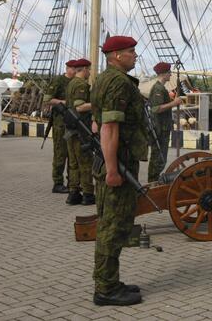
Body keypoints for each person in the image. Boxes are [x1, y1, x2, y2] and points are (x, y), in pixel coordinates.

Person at [90, 36, 147, 306]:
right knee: (112, 227)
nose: (135, 55)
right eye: (130, 52)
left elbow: (96, 121)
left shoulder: (104, 79)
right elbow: (109, 128)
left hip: (118, 160)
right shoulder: (117, 82)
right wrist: (112, 169)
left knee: (113, 224)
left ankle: (110, 280)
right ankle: (106, 289)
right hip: (117, 165)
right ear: (116, 56)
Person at [64, 58, 95, 206]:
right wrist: (97, 104)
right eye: (89, 69)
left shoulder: (70, 84)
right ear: (84, 69)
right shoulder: (81, 85)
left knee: (74, 163)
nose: (90, 72)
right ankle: (88, 194)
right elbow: (80, 107)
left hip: (70, 128)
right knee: (85, 162)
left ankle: (73, 192)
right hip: (81, 128)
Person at [44, 59, 76, 193]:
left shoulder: (76, 82)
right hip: (60, 124)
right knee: (60, 153)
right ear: (68, 68)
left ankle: (72, 182)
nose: (76, 72)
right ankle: (57, 183)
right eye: (75, 69)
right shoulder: (58, 81)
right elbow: (48, 99)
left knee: (72, 154)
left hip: (72, 123)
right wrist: (64, 102)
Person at [147, 62, 182, 182]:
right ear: (163, 74)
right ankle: (152, 182)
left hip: (163, 127)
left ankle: (153, 181)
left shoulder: (161, 88)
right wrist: (174, 103)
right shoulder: (158, 88)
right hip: (159, 128)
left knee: (160, 158)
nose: (171, 74)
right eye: (169, 72)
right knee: (158, 158)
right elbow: (156, 108)